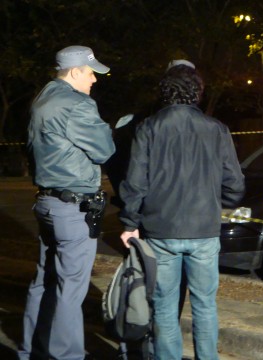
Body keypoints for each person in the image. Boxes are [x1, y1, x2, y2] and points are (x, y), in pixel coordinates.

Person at [118, 59, 245, 360]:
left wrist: (129, 222)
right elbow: (235, 184)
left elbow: (135, 182)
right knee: (205, 305)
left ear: (165, 92)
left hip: (161, 231)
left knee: (163, 305)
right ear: (197, 92)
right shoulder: (216, 129)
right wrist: (216, 203)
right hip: (204, 231)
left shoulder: (148, 128)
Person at [19, 45, 115, 360]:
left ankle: (32, 349)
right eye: (91, 73)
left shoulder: (42, 99)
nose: (94, 80)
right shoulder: (77, 105)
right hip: (72, 208)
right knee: (70, 289)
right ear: (75, 72)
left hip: (47, 203)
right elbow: (104, 150)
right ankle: (65, 355)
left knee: (44, 280)